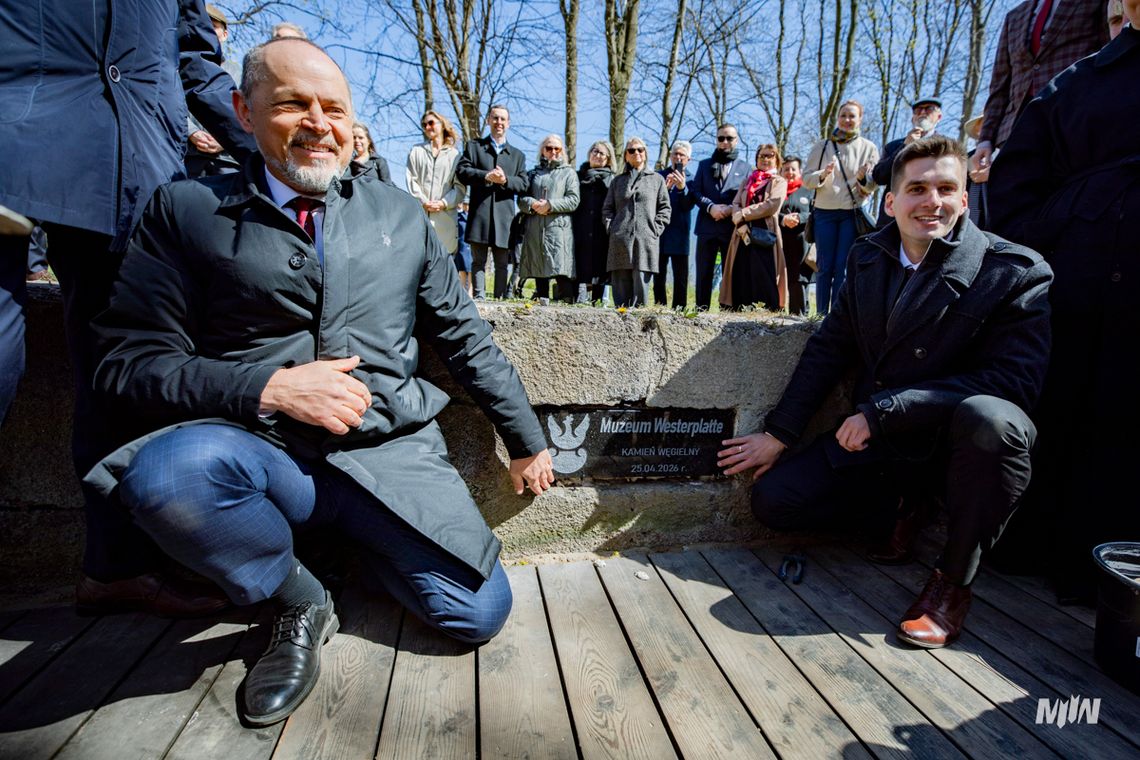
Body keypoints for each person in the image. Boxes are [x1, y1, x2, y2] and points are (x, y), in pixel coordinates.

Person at [86, 37, 555, 727]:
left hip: (388, 456)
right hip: (263, 455)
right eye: (292, 104)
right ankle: (298, 598)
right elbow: (125, 363)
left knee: (478, 611)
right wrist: (268, 388)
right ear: (244, 112)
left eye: (333, 108)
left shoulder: (398, 214)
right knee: (167, 478)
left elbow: (464, 337)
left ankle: (358, 543)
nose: (318, 124)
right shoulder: (186, 208)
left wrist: (524, 439)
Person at [721, 135, 1052, 650]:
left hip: (951, 446)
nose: (932, 201)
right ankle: (901, 511)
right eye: (916, 188)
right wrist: (779, 433)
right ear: (891, 201)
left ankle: (951, 581)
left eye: (946, 187)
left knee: (996, 422)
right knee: (774, 501)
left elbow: (1012, 385)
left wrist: (886, 411)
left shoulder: (1014, 271)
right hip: (884, 451)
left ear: (965, 198)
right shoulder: (869, 257)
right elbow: (831, 345)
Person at [0, 0, 256, 615]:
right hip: (12, 133)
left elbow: (194, 58)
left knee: (126, 372)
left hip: (133, 162)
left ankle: (116, 566)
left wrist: (265, 146)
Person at [987, 6, 1140, 603]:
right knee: (1065, 399)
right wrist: (1070, 225)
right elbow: (1016, 184)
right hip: (1080, 270)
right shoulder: (1078, 81)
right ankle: (1037, 546)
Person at [968, 0, 1109, 186]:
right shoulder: (1014, 17)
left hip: (1073, 126)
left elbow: (1108, 58)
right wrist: (985, 140)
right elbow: (999, 86)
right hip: (1017, 134)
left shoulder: (1094, 3)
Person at [803, 100, 880, 315]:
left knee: (842, 267)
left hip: (850, 213)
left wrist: (864, 178)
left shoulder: (869, 148)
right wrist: (823, 174)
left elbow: (873, 185)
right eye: (843, 115)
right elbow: (806, 179)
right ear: (838, 118)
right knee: (824, 265)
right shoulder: (822, 146)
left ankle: (836, 316)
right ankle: (819, 315)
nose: (847, 120)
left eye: (852, 116)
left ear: (860, 119)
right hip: (824, 213)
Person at [456, 105, 528, 299]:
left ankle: (499, 299)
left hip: (504, 217)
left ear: (508, 123)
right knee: (477, 261)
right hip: (480, 212)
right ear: (488, 121)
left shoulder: (517, 155)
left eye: (503, 119)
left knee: (502, 263)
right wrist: (486, 176)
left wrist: (505, 181)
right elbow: (462, 171)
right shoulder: (474, 147)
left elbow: (523, 183)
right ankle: (479, 298)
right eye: (495, 118)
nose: (499, 123)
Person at [602, 138, 671, 308]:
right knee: (621, 296)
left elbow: (665, 208)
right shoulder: (617, 181)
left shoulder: (656, 180)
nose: (636, 153)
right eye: (631, 150)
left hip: (645, 240)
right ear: (626, 156)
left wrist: (654, 230)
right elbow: (607, 209)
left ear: (645, 154)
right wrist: (612, 228)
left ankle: (639, 330)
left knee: (641, 289)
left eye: (640, 150)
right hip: (620, 240)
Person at [719, 144, 788, 311]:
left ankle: (765, 309)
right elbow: (735, 203)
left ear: (776, 160)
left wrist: (743, 214)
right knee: (741, 269)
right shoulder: (747, 181)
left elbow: (772, 205)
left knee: (763, 272)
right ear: (756, 159)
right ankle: (739, 307)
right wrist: (740, 221)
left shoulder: (779, 181)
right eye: (762, 156)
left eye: (770, 156)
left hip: (765, 232)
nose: (765, 159)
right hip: (742, 233)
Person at [690, 124, 751, 310]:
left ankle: (728, 310)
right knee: (704, 272)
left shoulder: (747, 168)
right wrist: (710, 207)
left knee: (730, 272)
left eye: (729, 138)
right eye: (720, 138)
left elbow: (747, 195)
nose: (724, 142)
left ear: (736, 140)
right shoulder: (704, 165)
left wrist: (730, 209)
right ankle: (701, 310)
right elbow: (695, 191)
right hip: (707, 226)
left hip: (730, 228)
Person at [406, 110, 465, 287]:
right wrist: (423, 201)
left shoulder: (455, 156)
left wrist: (443, 203)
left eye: (431, 123)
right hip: (422, 214)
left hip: (445, 218)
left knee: (444, 261)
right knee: (420, 260)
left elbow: (460, 188)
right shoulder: (416, 151)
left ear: (442, 125)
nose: (428, 127)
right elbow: (411, 180)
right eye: (424, 124)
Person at [518, 135, 580, 303]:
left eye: (557, 148)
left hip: (559, 228)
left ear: (562, 151)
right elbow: (522, 198)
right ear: (542, 151)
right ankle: (541, 300)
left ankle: (567, 302)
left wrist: (550, 205)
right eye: (549, 148)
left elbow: (574, 200)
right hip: (536, 226)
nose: (553, 152)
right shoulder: (533, 174)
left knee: (561, 267)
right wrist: (533, 204)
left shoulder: (569, 173)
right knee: (539, 265)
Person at [185, 4, 242, 178]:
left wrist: (225, 139)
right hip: (185, 159)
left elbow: (251, 112)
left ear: (224, 35)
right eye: (204, 24)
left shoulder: (241, 73)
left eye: (214, 26)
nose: (208, 30)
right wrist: (190, 132)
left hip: (228, 163)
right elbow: (169, 103)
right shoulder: (179, 68)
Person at [871, 97, 942, 227]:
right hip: (893, 219)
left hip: (930, 216)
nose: (922, 113)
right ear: (912, 118)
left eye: (929, 109)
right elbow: (879, 177)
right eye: (918, 110)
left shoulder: (946, 147)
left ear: (939, 117)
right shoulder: (893, 146)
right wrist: (904, 147)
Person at [572, 141, 618, 304]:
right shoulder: (577, 176)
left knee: (600, 267)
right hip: (579, 228)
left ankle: (597, 301)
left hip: (602, 231)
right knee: (579, 264)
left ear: (608, 158)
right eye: (594, 151)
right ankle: (575, 300)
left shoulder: (613, 180)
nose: (597, 155)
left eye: (602, 153)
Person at [654, 141, 697, 309]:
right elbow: (652, 203)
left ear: (688, 159)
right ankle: (659, 307)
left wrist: (681, 188)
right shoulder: (659, 176)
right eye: (675, 154)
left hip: (680, 233)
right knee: (658, 274)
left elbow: (688, 205)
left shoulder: (693, 179)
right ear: (670, 156)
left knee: (680, 276)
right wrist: (664, 189)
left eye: (682, 155)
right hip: (660, 232)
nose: (678, 158)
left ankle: (679, 310)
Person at [779, 157, 814, 315]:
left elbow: (816, 213)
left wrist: (801, 218)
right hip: (779, 243)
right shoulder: (776, 191)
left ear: (800, 172)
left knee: (799, 281)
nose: (789, 172)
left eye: (793, 169)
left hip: (802, 244)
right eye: (786, 169)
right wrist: (783, 219)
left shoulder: (809, 190)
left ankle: (800, 318)